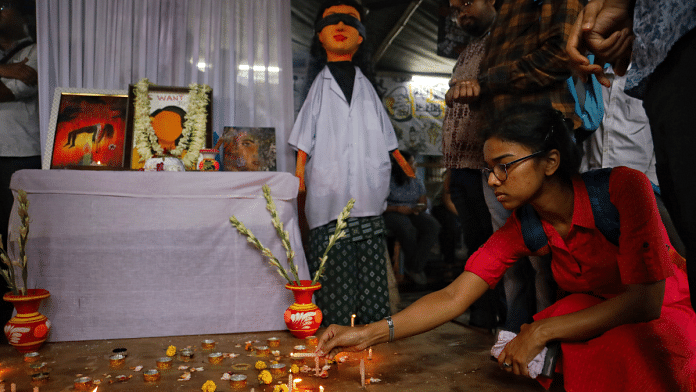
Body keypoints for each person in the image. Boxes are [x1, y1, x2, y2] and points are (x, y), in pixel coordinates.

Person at [315, 104, 696, 391]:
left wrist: (541, 334)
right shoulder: (527, 225)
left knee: (626, 348)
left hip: (661, 306)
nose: (494, 180)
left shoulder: (623, 189)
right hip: (597, 306)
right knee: (548, 330)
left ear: (550, 162)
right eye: (488, 169)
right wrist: (369, 333)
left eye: (505, 165)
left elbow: (644, 302)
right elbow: (453, 295)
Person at [288, 0, 413, 327]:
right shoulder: (319, 86)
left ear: (360, 37)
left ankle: (374, 330)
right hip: (329, 192)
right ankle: (336, 328)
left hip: (368, 189)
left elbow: (386, 132)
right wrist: (299, 175)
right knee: (334, 266)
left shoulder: (367, 87)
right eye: (333, 21)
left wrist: (400, 161)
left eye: (349, 22)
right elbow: (305, 134)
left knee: (371, 265)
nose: (341, 27)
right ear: (319, 35)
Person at [566, 0, 696, 311]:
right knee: (613, 279)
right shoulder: (592, 74)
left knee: (665, 277)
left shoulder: (651, 74)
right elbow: (584, 127)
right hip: (599, 194)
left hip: (649, 193)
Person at [0, 0, 38, 342]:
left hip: (18, 154)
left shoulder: (37, 51)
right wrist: (4, 69)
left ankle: (20, 309)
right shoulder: (7, 62)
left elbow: (6, 94)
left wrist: (7, 76)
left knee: (12, 236)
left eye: (4, 7)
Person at [383, 151, 440, 286]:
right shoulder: (387, 180)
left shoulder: (416, 179)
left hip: (411, 211)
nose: (414, 165)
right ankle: (416, 269)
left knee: (433, 226)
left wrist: (418, 208)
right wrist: (397, 209)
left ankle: (414, 267)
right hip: (391, 211)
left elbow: (423, 202)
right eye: (411, 162)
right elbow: (379, 205)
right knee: (406, 227)